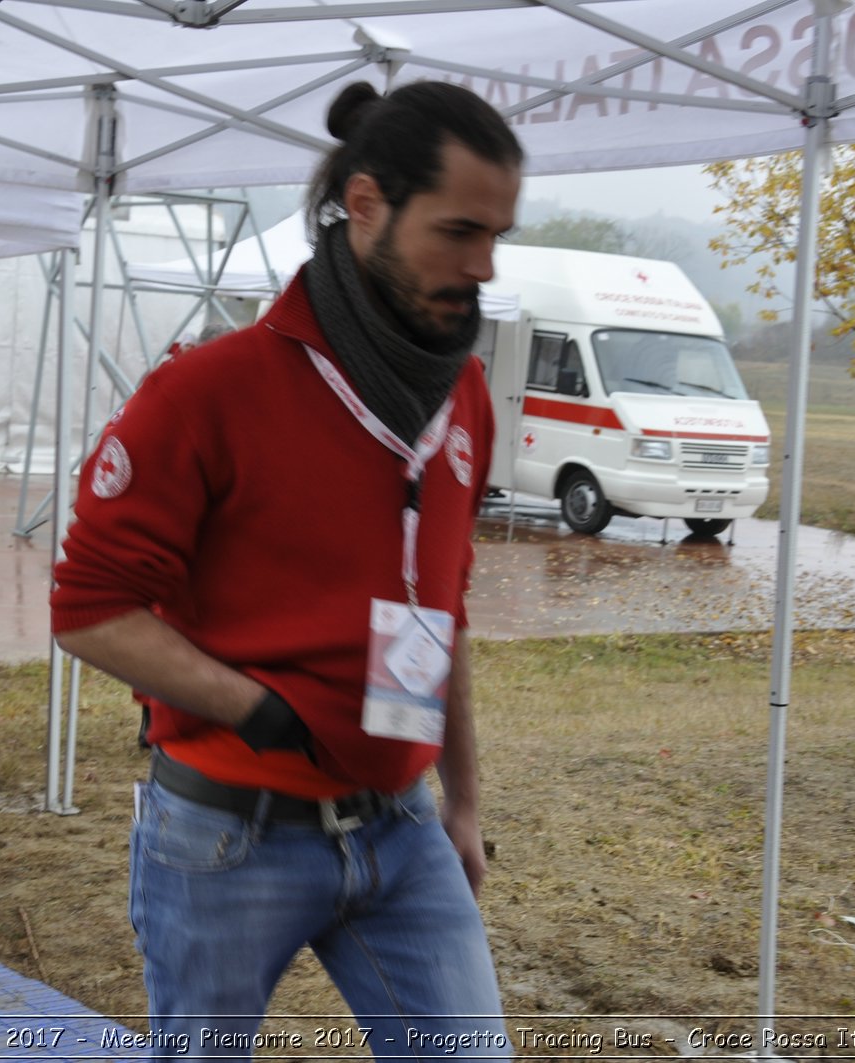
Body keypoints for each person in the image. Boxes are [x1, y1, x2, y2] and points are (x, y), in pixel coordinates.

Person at [50, 80, 520, 1056]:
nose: (481, 268)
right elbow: (89, 610)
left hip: (401, 829)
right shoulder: (207, 393)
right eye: (459, 232)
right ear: (364, 205)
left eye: (496, 239)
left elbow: (447, 611)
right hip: (229, 836)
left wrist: (462, 805)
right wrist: (259, 710)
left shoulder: (462, 394)